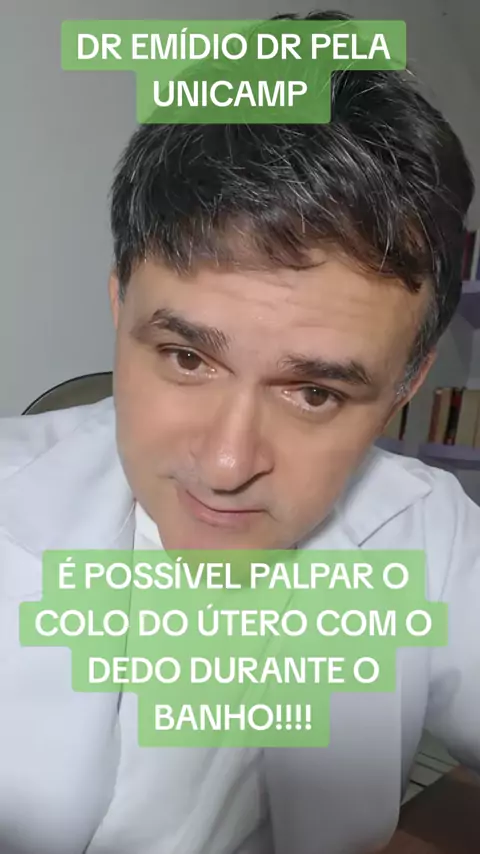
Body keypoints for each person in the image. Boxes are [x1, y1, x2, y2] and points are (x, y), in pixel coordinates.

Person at [1, 8, 479, 854]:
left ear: (405, 385)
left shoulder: (427, 533)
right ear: (119, 307)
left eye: (315, 393)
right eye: (187, 357)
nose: (226, 465)